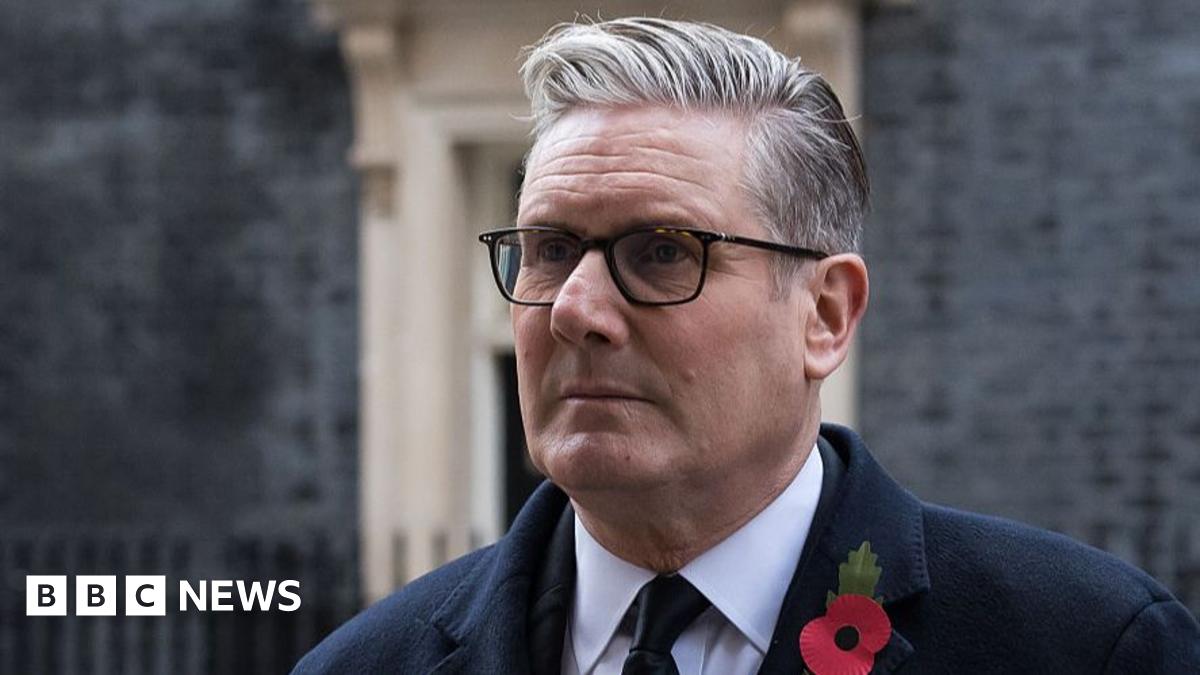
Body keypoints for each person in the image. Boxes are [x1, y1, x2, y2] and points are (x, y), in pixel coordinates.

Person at [294, 17, 1200, 674]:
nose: (575, 308)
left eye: (661, 252)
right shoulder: (364, 665)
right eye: (551, 249)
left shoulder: (1085, 645)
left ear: (827, 314)